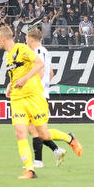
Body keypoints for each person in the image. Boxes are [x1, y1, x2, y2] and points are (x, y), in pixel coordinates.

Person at [0, 25, 81, 179]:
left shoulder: (22, 49)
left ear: (2, 38)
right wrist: (10, 85)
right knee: (20, 132)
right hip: (18, 99)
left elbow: (40, 65)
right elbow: (16, 75)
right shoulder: (8, 56)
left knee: (43, 134)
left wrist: (26, 79)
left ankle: (69, 138)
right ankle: (30, 169)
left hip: (34, 98)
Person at [26, 28, 66, 168]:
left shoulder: (37, 52)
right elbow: (52, 73)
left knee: (35, 129)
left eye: (26, 39)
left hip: (37, 95)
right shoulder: (45, 52)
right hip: (42, 94)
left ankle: (38, 161)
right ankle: (56, 150)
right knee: (33, 129)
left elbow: (41, 73)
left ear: (31, 39)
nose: (26, 42)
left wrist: (30, 85)